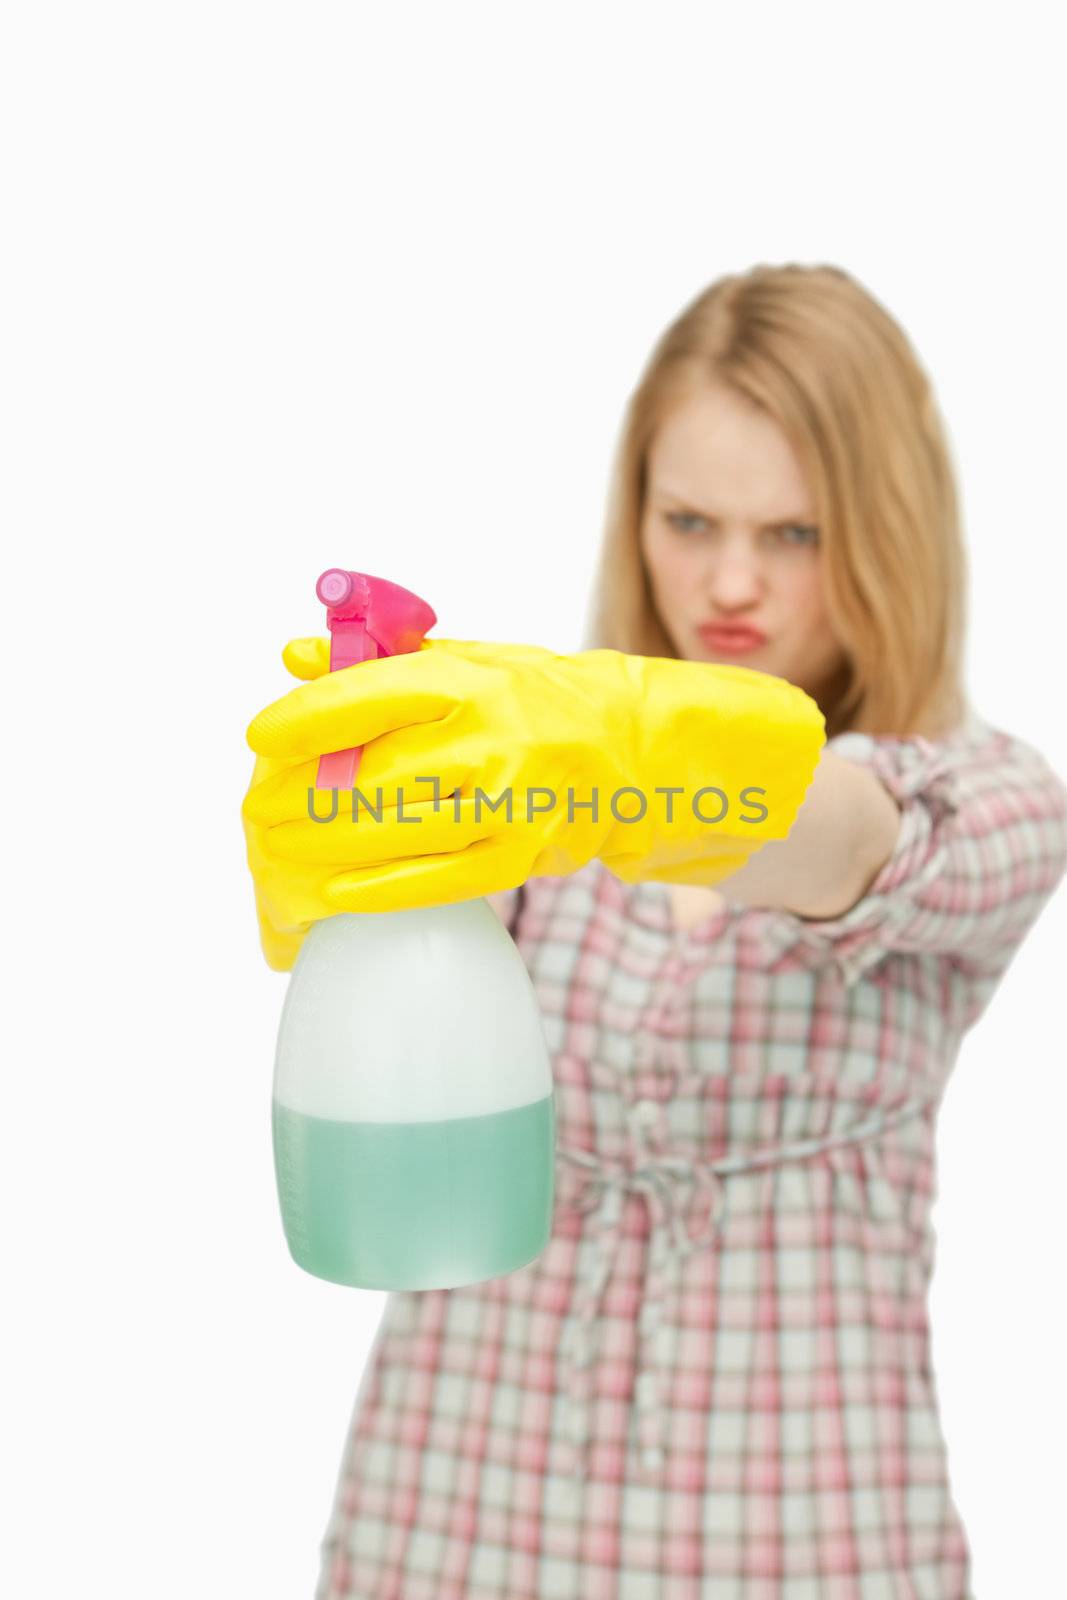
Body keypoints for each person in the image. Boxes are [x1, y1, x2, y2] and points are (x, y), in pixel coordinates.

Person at [242, 263, 1067, 1599]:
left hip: (804, 1529)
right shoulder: (520, 799)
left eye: (794, 535)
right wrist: (365, 813)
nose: (730, 581)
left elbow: (847, 841)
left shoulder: (988, 798)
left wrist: (621, 769)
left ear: (886, 532)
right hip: (455, 1506)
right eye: (689, 521)